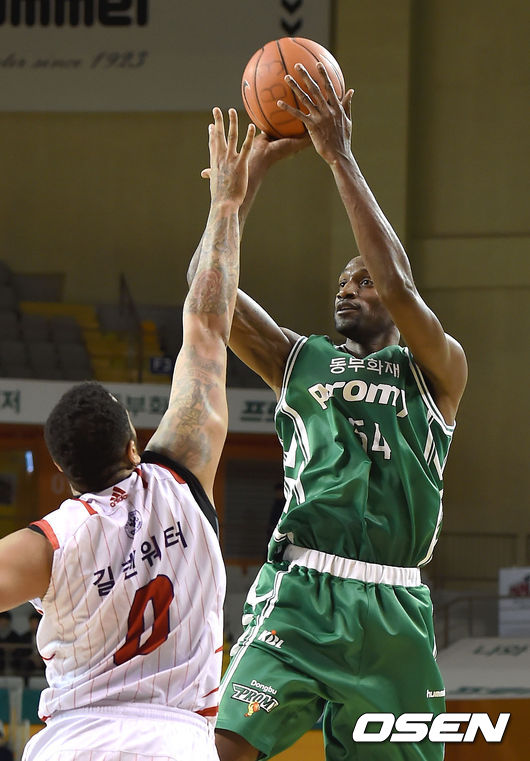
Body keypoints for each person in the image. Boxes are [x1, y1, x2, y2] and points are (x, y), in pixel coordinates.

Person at [190, 65, 468, 761]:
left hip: (395, 606)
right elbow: (207, 294)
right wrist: (234, 197)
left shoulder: (437, 370)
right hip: (301, 590)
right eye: (343, 281)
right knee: (224, 745)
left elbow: (399, 283)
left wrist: (339, 156)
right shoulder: (299, 357)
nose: (348, 288)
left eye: (362, 280)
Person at [0, 107, 254, 761]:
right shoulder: (184, 479)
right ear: (133, 444)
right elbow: (207, 327)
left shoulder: (51, 542)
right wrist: (227, 203)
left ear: (63, 475)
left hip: (74, 742)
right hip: (176, 740)